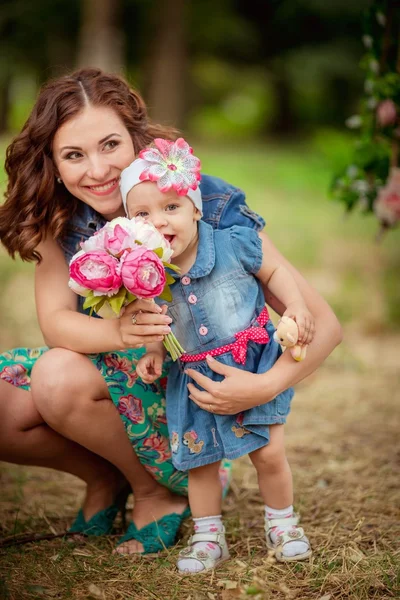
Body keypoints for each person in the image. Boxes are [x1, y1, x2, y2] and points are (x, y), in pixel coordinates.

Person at [0, 68, 342, 556]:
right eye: (74, 155)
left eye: (110, 145)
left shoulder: (204, 204)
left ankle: (161, 493)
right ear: (53, 164)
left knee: (57, 378)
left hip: (197, 388)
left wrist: (263, 386)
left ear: (137, 139)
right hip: (131, 361)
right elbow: (56, 323)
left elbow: (326, 327)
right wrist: (124, 332)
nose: (97, 171)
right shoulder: (64, 218)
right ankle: (111, 475)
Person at [121, 138, 318, 572]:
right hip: (193, 382)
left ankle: (283, 524)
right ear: (130, 224)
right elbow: (154, 318)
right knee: (201, 463)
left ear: (195, 207)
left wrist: (298, 306)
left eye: (171, 207)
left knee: (268, 453)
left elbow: (275, 270)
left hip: (252, 361)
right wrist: (154, 350)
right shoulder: (147, 273)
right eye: (143, 214)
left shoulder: (233, 241)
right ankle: (209, 536)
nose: (159, 222)